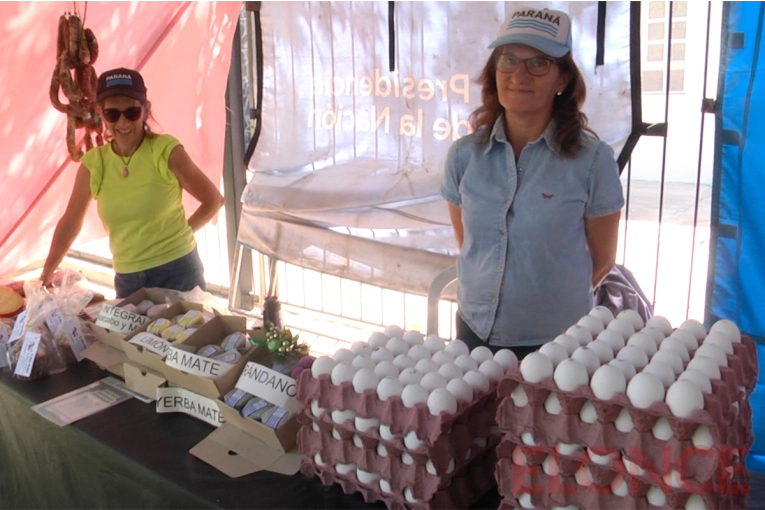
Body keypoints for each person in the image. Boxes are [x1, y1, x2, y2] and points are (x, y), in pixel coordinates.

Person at [440, 8, 624, 358]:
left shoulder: (592, 160)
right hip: (475, 333)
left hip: (557, 346)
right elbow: (472, 243)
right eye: (508, 60)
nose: (519, 75)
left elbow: (602, 260)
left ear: (562, 80)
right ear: (494, 71)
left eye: (538, 63)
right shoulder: (464, 156)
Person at [41, 68, 225, 298]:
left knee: (188, 335)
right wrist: (45, 274)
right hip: (128, 277)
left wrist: (180, 236)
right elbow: (70, 221)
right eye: (112, 114)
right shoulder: (94, 163)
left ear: (146, 110)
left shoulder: (165, 150)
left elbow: (213, 200)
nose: (123, 121)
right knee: (127, 336)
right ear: (101, 113)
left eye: (132, 111)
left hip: (178, 272)